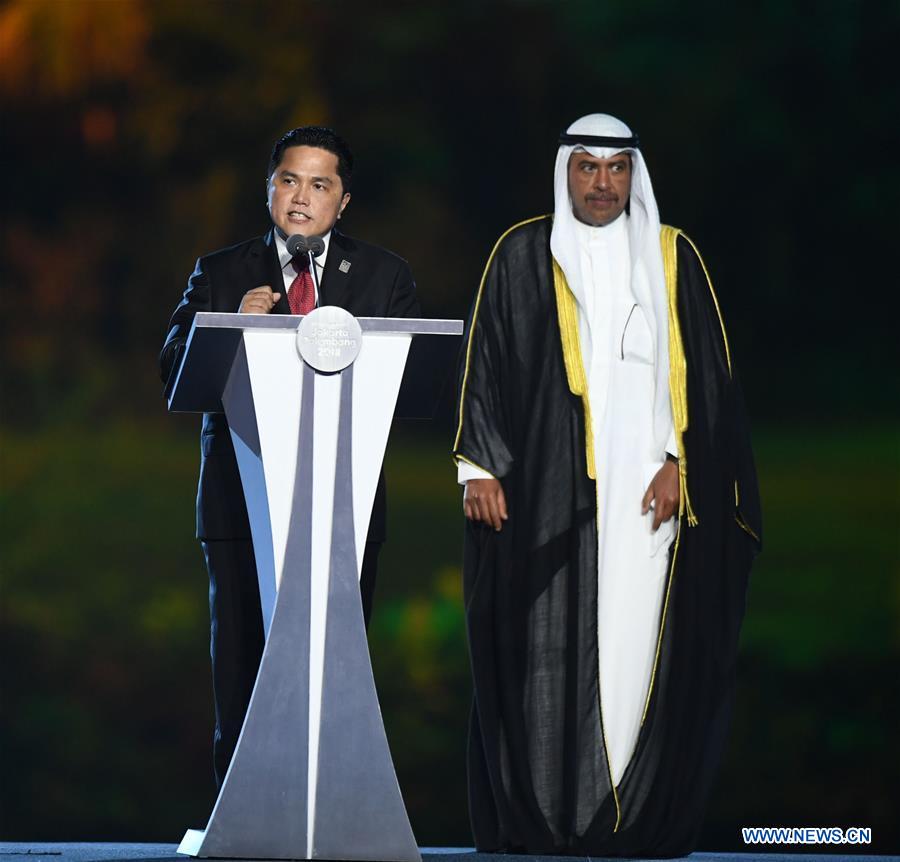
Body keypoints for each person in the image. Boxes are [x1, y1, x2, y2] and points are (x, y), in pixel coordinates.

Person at [453, 113, 761, 856]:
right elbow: (486, 357)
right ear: (566, 172)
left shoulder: (672, 256)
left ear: (634, 174)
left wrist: (680, 463)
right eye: (586, 167)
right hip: (544, 497)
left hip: (648, 498)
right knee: (543, 654)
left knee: (634, 648)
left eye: (615, 168)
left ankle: (628, 820)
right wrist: (479, 465)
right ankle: (549, 820)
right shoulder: (523, 252)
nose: (601, 182)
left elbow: (710, 388)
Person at [160, 126, 420, 788]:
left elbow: (410, 384)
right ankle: (240, 821)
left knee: (337, 675)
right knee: (243, 668)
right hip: (240, 504)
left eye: (319, 184)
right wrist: (224, 328)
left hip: (345, 512)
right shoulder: (221, 273)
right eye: (289, 180)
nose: (301, 197)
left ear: (344, 201)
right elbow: (172, 373)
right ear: (269, 188)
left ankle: (331, 816)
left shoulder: (386, 277)